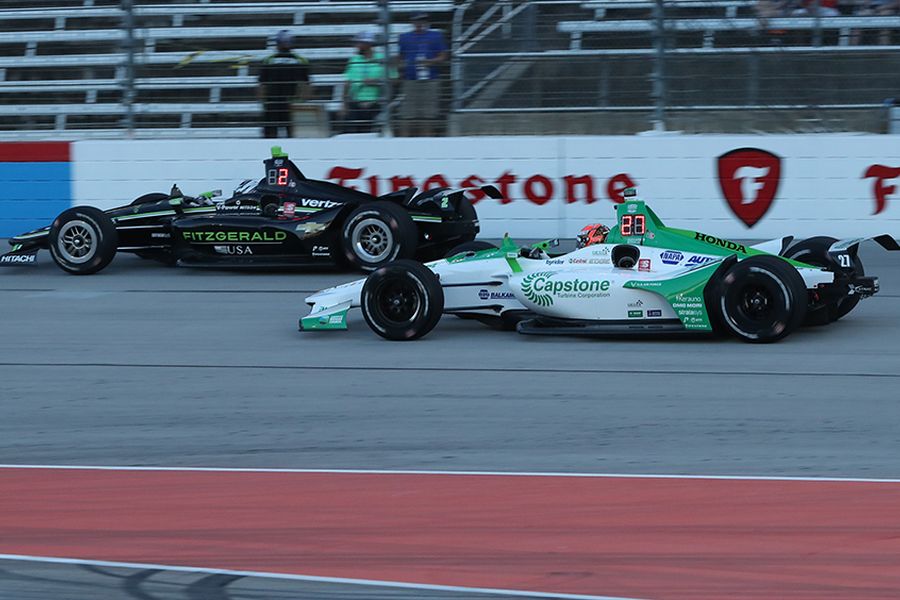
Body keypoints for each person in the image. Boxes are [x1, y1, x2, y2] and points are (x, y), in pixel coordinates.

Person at [397, 13, 448, 137]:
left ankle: (426, 139)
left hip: (430, 78)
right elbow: (401, 57)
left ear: (427, 22)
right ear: (412, 23)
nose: (419, 24)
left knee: (428, 113)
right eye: (417, 21)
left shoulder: (436, 36)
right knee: (407, 113)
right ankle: (405, 141)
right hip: (411, 78)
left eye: (422, 21)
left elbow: (443, 56)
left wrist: (430, 62)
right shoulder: (404, 37)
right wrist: (402, 67)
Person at [258, 30, 310, 138]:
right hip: (292, 103)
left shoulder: (268, 60)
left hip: (272, 104)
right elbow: (306, 85)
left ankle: (273, 154)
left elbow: (262, 85)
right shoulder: (301, 61)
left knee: (270, 136)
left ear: (277, 44)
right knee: (293, 135)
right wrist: (303, 102)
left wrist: (263, 102)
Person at [342, 31, 393, 133]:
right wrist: (343, 104)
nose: (356, 46)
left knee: (371, 134)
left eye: (358, 43)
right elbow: (347, 82)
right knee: (353, 134)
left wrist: (378, 81)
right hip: (355, 103)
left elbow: (394, 80)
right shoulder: (354, 59)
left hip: (376, 104)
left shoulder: (383, 60)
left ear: (368, 44)